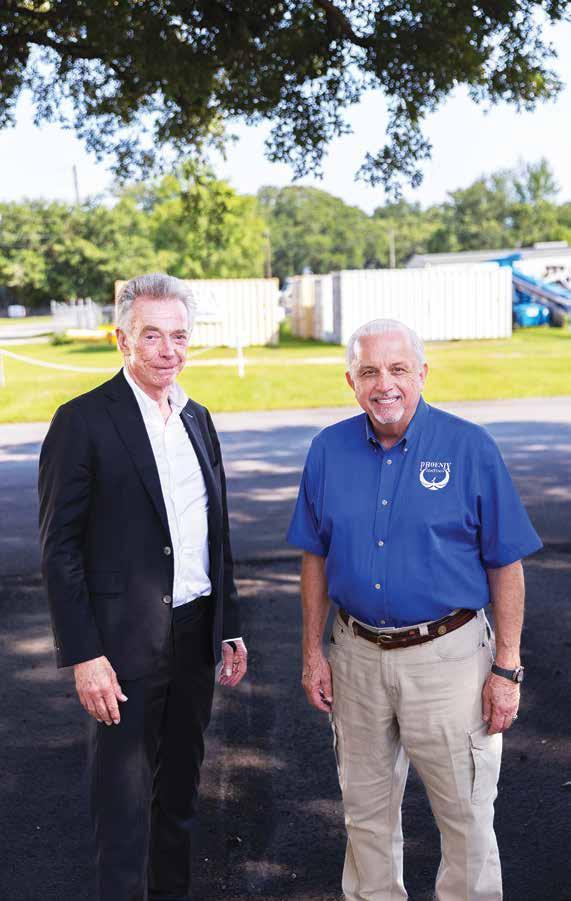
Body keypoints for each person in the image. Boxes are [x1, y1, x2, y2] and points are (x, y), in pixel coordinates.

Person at [287, 318, 542, 901]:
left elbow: (506, 563)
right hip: (356, 657)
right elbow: (315, 556)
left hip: (449, 660)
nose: (385, 384)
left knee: (466, 820)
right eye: (369, 372)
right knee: (365, 818)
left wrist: (507, 668)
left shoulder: (469, 447)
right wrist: (312, 653)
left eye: (398, 369)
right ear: (351, 381)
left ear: (422, 373)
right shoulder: (327, 450)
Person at [39, 272, 247, 901]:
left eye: (178, 336)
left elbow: (214, 531)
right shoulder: (82, 421)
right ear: (121, 339)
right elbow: (58, 549)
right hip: (121, 646)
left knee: (179, 799)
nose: (167, 350)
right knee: (124, 810)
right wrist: (84, 655)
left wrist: (228, 624)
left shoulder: (197, 418)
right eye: (151, 335)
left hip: (194, 634)